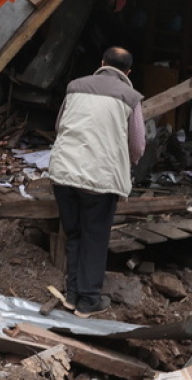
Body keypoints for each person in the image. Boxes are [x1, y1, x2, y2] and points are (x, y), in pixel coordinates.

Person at [48, 47, 146, 316]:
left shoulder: (75, 87)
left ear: (101, 63)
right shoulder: (131, 97)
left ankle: (72, 294)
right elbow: (137, 145)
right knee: (95, 236)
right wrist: (128, 164)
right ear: (128, 72)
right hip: (99, 179)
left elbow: (59, 126)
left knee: (75, 233)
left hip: (64, 173)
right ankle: (89, 300)